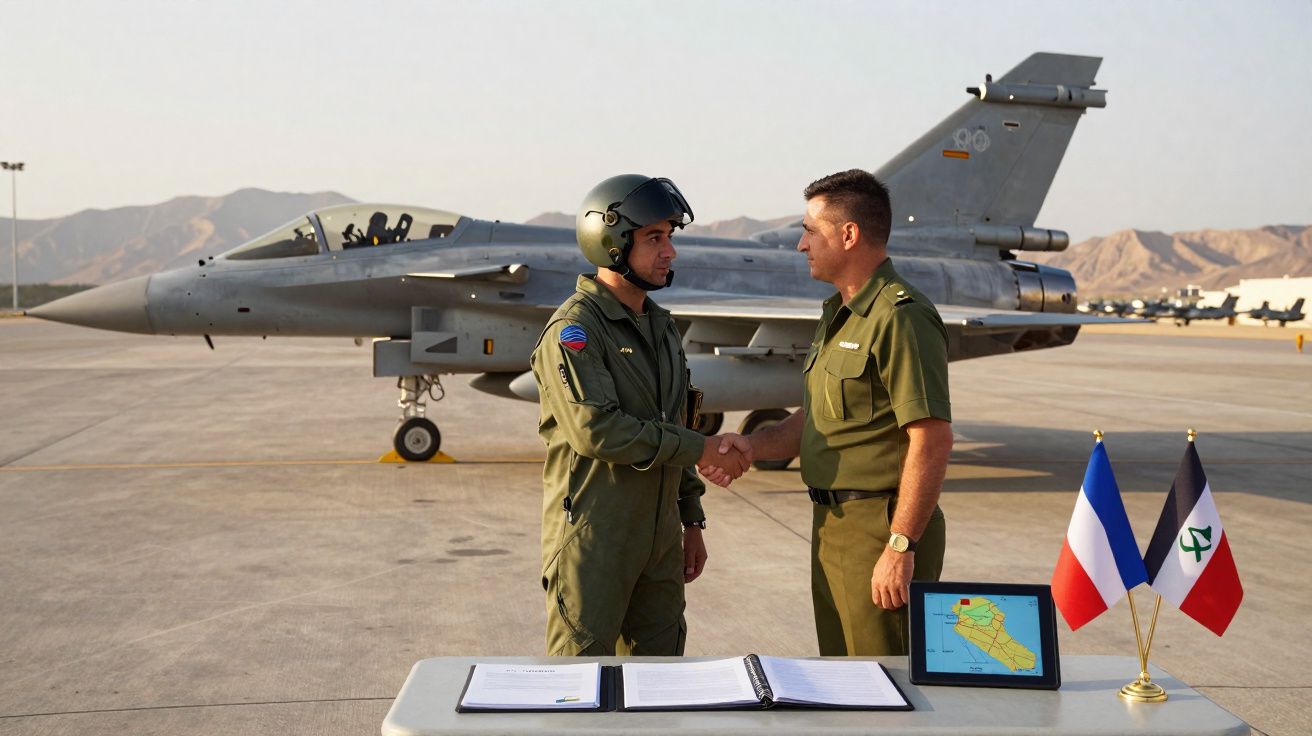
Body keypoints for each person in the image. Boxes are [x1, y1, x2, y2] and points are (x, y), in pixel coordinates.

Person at [705, 169, 953, 656]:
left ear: (849, 234)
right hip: (833, 526)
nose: (801, 245)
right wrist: (752, 445)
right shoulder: (838, 315)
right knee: (843, 680)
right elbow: (814, 420)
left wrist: (901, 545)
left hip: (879, 528)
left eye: (809, 231)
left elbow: (931, 438)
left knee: (887, 684)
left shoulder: (900, 317)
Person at [531, 174, 752, 656]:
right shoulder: (575, 331)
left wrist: (691, 519)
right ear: (611, 241)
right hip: (595, 541)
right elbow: (597, 430)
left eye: (670, 237)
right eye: (655, 238)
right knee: (579, 686)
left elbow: (675, 423)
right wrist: (703, 449)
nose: (669, 251)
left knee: (662, 685)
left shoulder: (661, 326)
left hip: (660, 544)